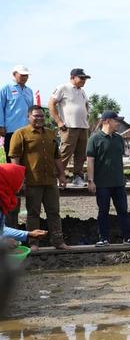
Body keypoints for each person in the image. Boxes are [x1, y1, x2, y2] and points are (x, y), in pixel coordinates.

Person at [8, 105, 69, 251]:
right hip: (32, 181)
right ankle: (33, 243)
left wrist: (62, 175)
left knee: (54, 212)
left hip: (50, 181)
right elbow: (14, 157)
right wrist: (19, 179)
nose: (39, 118)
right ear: (28, 117)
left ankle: (58, 241)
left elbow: (57, 157)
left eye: (41, 116)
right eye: (36, 116)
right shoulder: (20, 133)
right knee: (33, 213)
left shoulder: (51, 134)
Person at [86, 111, 130, 247]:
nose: (118, 123)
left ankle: (128, 237)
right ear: (107, 121)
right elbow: (90, 161)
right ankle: (103, 238)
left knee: (123, 211)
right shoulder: (94, 139)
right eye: (116, 120)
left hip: (118, 183)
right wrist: (91, 180)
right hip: (102, 183)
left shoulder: (118, 138)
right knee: (103, 211)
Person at [48, 68, 91, 187]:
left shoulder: (82, 91)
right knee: (65, 152)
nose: (84, 81)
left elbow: (86, 105)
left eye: (85, 78)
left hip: (82, 126)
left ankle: (78, 177)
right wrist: (59, 122)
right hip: (69, 126)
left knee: (81, 154)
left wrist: (86, 115)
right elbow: (51, 104)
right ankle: (56, 176)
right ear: (72, 77)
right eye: (81, 78)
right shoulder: (63, 88)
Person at [0, 163, 47, 248]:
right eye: (22, 180)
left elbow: (1, 230)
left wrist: (29, 234)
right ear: (10, 180)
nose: (23, 185)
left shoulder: (3, 199)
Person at [0, 65, 33, 157]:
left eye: (26, 75)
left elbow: (31, 110)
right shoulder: (6, 88)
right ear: (14, 74)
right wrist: (1, 126)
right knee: (12, 155)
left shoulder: (29, 91)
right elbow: (0, 107)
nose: (25, 77)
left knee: (26, 155)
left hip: (26, 129)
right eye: (22, 75)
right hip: (10, 129)